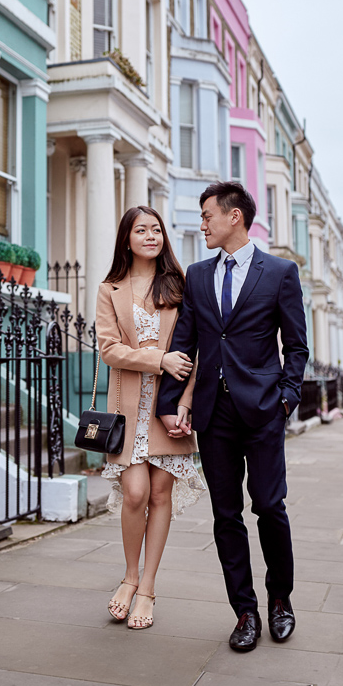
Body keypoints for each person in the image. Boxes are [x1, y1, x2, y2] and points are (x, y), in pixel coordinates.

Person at [157, 181, 308, 653]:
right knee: (226, 515)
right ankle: (244, 611)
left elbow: (296, 346)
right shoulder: (197, 276)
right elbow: (183, 343)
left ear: (235, 216)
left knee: (269, 507)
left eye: (207, 216)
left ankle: (280, 599)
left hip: (263, 411)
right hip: (213, 415)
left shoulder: (281, 272)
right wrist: (167, 405)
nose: (201, 224)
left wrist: (286, 398)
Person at [96, 206, 205, 630]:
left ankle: (147, 588)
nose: (150, 235)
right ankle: (129, 574)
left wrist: (187, 404)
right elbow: (108, 349)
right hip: (127, 409)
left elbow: (196, 349)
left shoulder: (180, 285)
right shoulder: (111, 289)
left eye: (156, 229)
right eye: (141, 229)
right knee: (135, 494)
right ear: (127, 238)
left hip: (170, 410)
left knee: (160, 496)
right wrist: (158, 358)